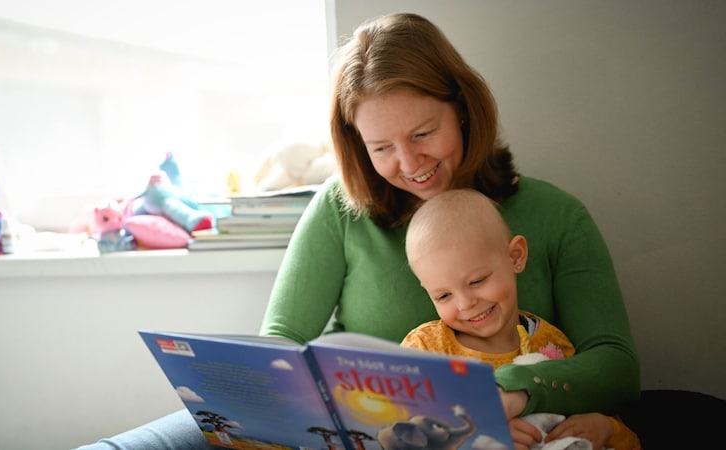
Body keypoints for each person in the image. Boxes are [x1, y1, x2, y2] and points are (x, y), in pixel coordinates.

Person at [77, 12, 640, 450]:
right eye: (380, 148)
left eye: (424, 133)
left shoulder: (555, 215)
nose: (408, 162)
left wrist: (512, 392)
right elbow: (279, 343)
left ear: (463, 110)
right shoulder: (341, 208)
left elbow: (615, 363)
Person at [401, 188, 640, 450]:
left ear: (515, 256)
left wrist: (605, 427)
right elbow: (398, 433)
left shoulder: (551, 344)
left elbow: (615, 425)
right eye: (443, 295)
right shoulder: (425, 351)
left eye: (477, 281)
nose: (465, 303)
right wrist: (475, 440)